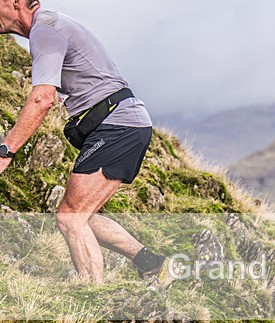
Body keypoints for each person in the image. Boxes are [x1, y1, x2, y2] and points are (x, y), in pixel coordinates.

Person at [0, 0, 168, 284]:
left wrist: (5, 152)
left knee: (70, 218)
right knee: (80, 214)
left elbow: (42, 99)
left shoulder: (46, 29)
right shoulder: (49, 26)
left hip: (117, 125)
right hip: (122, 123)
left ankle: (94, 300)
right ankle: (152, 264)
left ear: (15, 3)